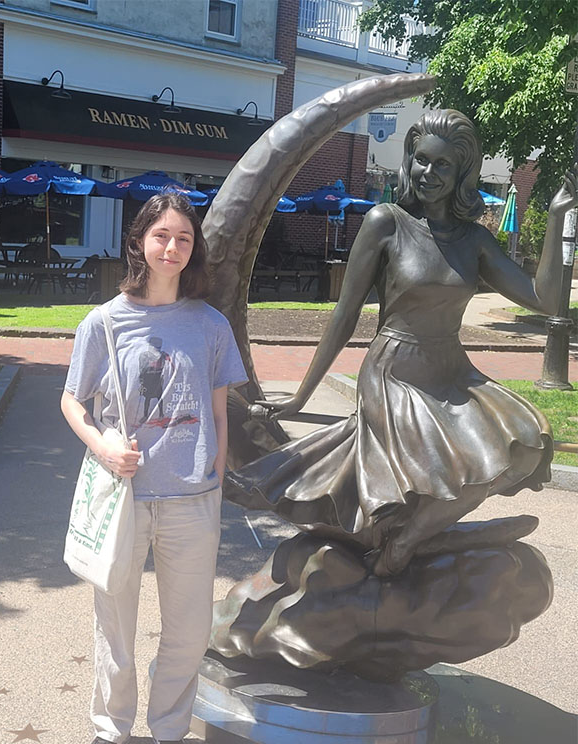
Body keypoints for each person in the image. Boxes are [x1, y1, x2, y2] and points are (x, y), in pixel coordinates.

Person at [225, 109, 577, 576]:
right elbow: (344, 316)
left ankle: (410, 536)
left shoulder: (474, 240)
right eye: (421, 160)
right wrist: (301, 396)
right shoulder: (384, 222)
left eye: (443, 165)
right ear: (409, 161)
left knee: (526, 444)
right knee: (432, 467)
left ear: (461, 174)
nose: (429, 173)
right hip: (395, 372)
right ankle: (400, 540)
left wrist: (557, 219)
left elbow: (546, 298)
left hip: (451, 369)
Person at [61, 192, 247, 744]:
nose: (173, 247)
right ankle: (111, 727)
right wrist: (103, 444)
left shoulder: (210, 324)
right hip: (125, 496)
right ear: (141, 240)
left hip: (192, 497)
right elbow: (72, 399)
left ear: (194, 250)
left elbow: (219, 409)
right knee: (113, 621)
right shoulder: (105, 322)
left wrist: (218, 470)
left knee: (189, 627)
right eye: (162, 235)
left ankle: (169, 726)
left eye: (184, 238)